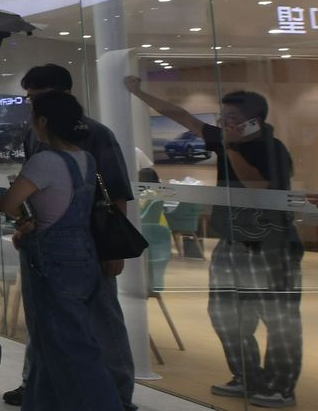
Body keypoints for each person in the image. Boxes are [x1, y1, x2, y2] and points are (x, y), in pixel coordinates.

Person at [126, 76, 301, 406]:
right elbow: (183, 117)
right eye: (223, 117)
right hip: (232, 240)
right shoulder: (224, 139)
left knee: (277, 317)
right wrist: (139, 92)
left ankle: (280, 386)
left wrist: (231, 147)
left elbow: (257, 186)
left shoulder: (271, 148)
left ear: (254, 121)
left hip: (270, 244)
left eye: (232, 118)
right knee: (223, 312)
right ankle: (247, 376)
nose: (224, 123)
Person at [3, 64, 137, 410]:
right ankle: (38, 389)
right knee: (46, 325)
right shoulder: (36, 136)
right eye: (29, 98)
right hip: (49, 244)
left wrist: (112, 249)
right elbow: (38, 192)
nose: (32, 105)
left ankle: (117, 394)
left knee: (98, 323)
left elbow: (116, 194)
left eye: (37, 97)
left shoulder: (97, 135)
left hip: (87, 243)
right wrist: (26, 224)